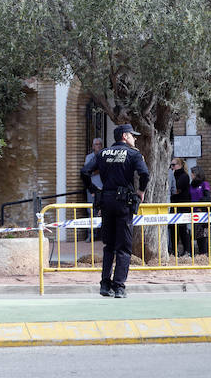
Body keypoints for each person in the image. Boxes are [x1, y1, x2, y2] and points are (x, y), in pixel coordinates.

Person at [81, 124, 149, 298]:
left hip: (106, 201)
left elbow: (85, 171)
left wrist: (94, 190)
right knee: (124, 247)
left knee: (108, 245)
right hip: (123, 203)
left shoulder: (102, 153)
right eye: (133, 135)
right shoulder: (134, 154)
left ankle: (105, 285)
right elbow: (145, 174)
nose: (135, 139)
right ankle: (119, 286)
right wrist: (140, 191)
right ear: (125, 136)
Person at [81, 137, 104, 241]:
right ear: (93, 146)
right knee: (91, 211)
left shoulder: (105, 155)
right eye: (96, 144)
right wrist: (99, 169)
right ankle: (91, 235)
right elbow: (87, 172)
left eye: (100, 144)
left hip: (103, 187)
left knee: (104, 211)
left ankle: (103, 235)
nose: (98, 146)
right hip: (92, 188)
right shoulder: (89, 157)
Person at [188, 166, 211, 255]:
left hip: (202, 212)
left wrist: (201, 206)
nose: (191, 175)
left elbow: (207, 197)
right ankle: (200, 253)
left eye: (193, 173)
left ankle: (205, 253)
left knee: (203, 234)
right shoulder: (191, 185)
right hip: (193, 212)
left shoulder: (204, 184)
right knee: (197, 234)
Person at [169, 158, 191, 255]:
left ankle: (187, 251)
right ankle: (174, 250)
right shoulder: (172, 175)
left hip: (182, 206)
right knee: (173, 229)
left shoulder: (184, 176)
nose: (172, 167)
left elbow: (176, 189)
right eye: (171, 165)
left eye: (174, 165)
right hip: (174, 206)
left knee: (182, 229)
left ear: (180, 165)